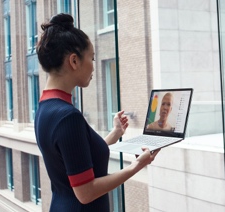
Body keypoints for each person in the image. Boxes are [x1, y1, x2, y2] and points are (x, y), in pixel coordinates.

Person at [34, 13, 159, 212]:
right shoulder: (67, 117)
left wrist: (115, 133)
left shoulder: (45, 106)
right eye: (92, 58)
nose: (93, 66)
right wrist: (137, 165)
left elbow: (75, 157)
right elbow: (86, 193)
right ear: (74, 61)